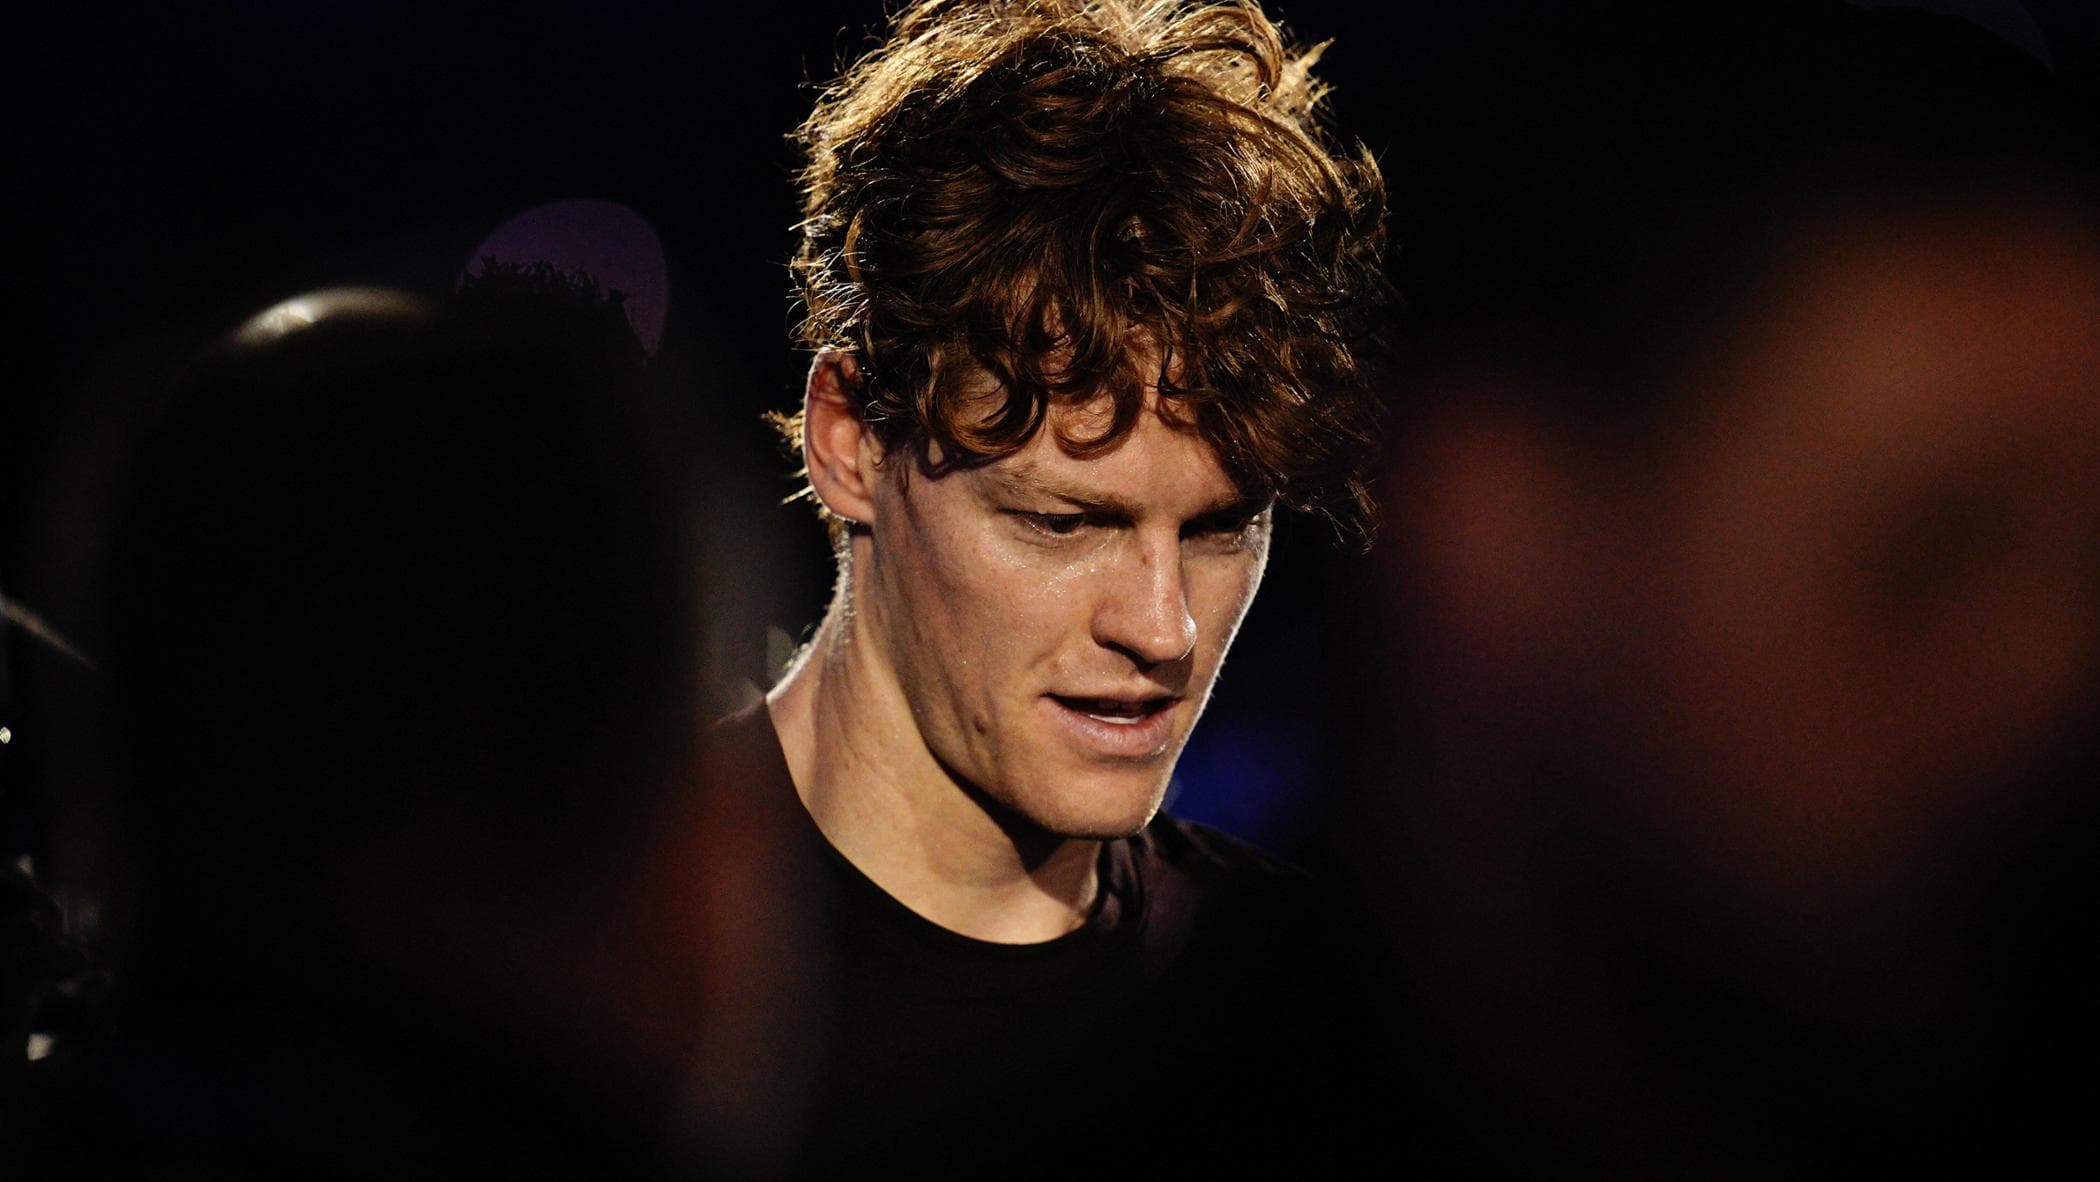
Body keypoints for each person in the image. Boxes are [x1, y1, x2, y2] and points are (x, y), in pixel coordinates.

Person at [709, 0, 1385, 1169]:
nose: (1164, 628)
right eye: (1064, 522)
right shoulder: (595, 957)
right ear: (850, 443)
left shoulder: (1309, 1022)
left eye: (1222, 528)